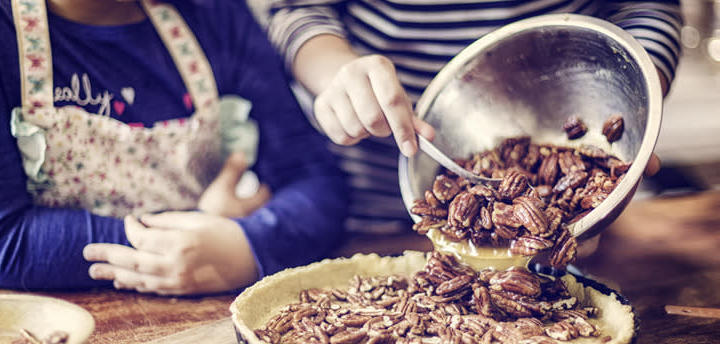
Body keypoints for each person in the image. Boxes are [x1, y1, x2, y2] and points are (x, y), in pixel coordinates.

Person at [0, 0, 348, 295]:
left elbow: (317, 184)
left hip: (205, 326)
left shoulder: (215, 13)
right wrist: (200, 230)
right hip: (56, 332)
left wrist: (246, 244)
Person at [259, 0, 683, 235]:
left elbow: (649, 6)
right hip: (366, 204)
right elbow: (298, 9)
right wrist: (335, 72)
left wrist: (637, 99)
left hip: (575, 141)